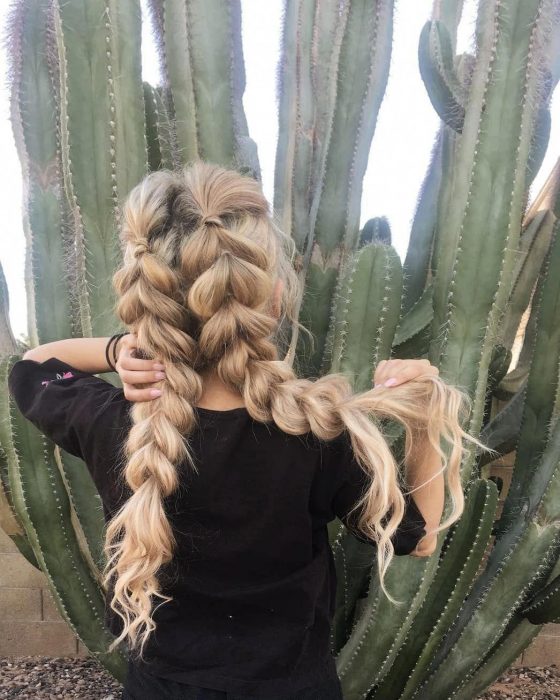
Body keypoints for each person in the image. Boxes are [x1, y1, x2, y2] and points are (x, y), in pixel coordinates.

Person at [7, 161, 489, 700]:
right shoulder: (317, 436)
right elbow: (418, 538)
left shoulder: (114, 423)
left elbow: (33, 365)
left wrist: (119, 350)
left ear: (150, 305)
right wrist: (424, 418)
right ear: (273, 299)